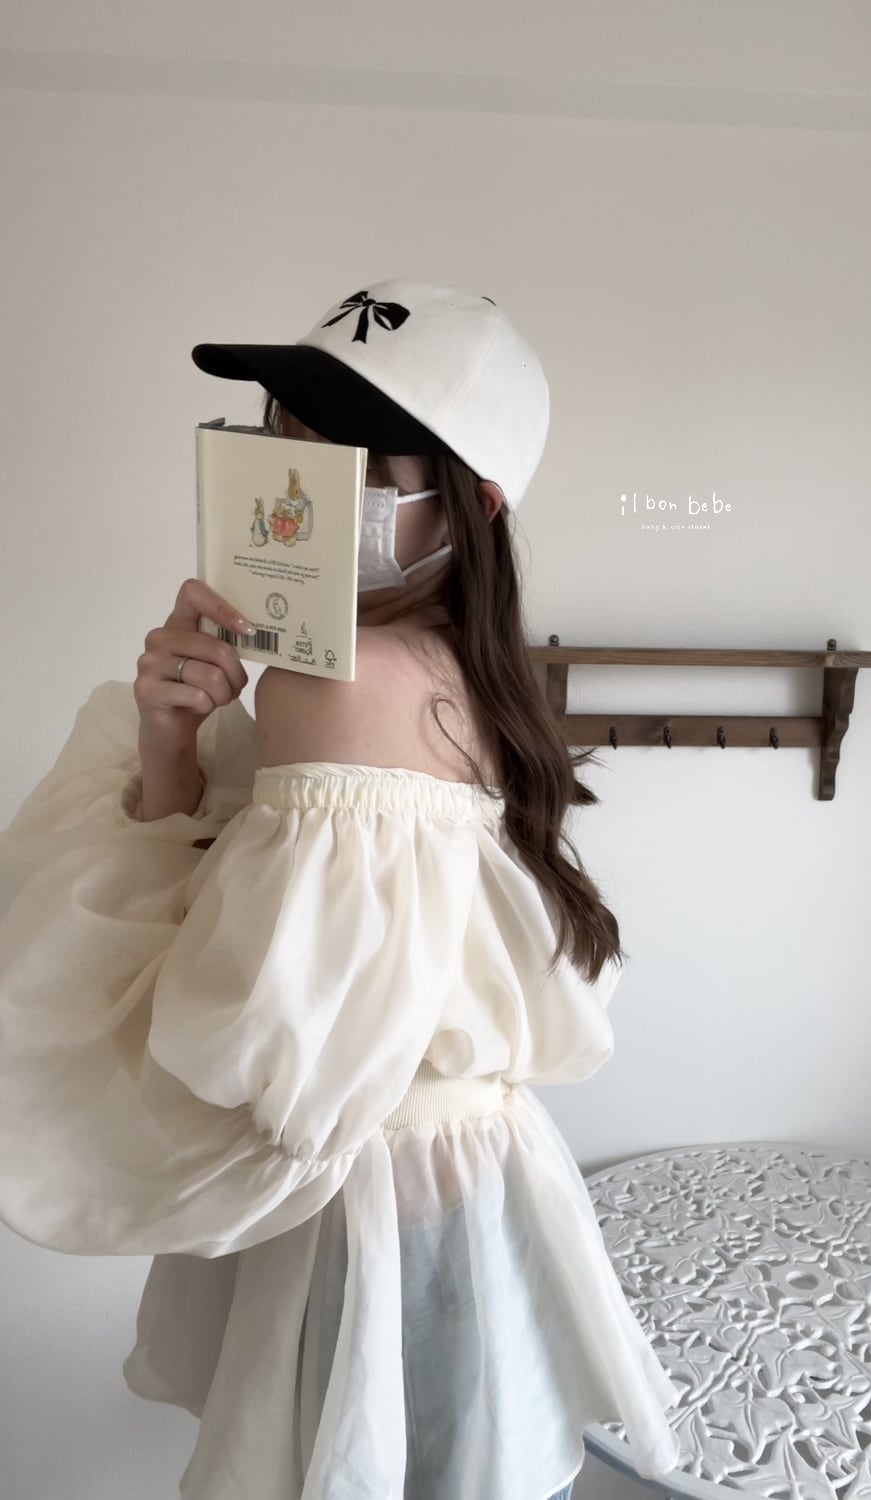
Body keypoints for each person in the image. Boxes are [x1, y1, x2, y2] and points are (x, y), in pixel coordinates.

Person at [0, 278, 681, 1500]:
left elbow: (259, 1048)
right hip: (464, 1185)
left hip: (368, 1209)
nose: (303, 481)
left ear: (469, 503)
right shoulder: (470, 668)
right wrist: (176, 744)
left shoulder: (341, 681)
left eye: (357, 461)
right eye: (290, 436)